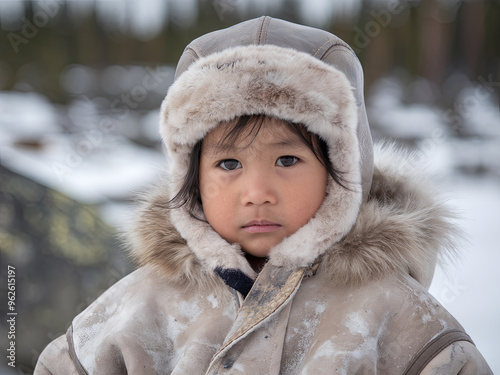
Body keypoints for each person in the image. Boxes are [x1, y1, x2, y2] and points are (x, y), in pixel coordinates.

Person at [34, 16, 492, 374]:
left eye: (287, 161)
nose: (257, 193)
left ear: (342, 173)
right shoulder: (140, 308)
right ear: (190, 178)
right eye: (228, 164)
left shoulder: (399, 319)